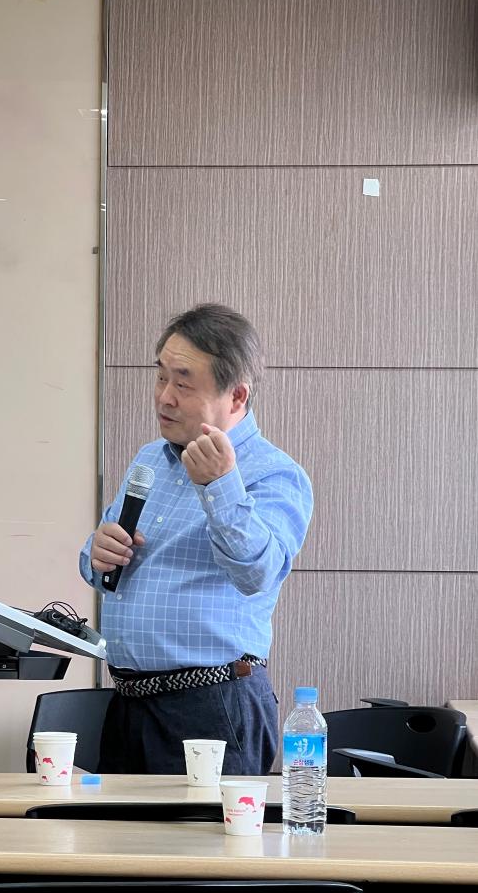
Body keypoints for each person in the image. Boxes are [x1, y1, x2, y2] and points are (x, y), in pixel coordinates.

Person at [79, 303, 313, 775]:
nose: (164, 398)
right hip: (128, 702)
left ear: (237, 396)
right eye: (160, 377)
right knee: (115, 828)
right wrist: (96, 554)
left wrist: (219, 485)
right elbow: (100, 562)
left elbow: (258, 573)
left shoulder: (275, 474)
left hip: (212, 704)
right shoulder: (150, 459)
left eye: (183, 384)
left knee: (205, 829)